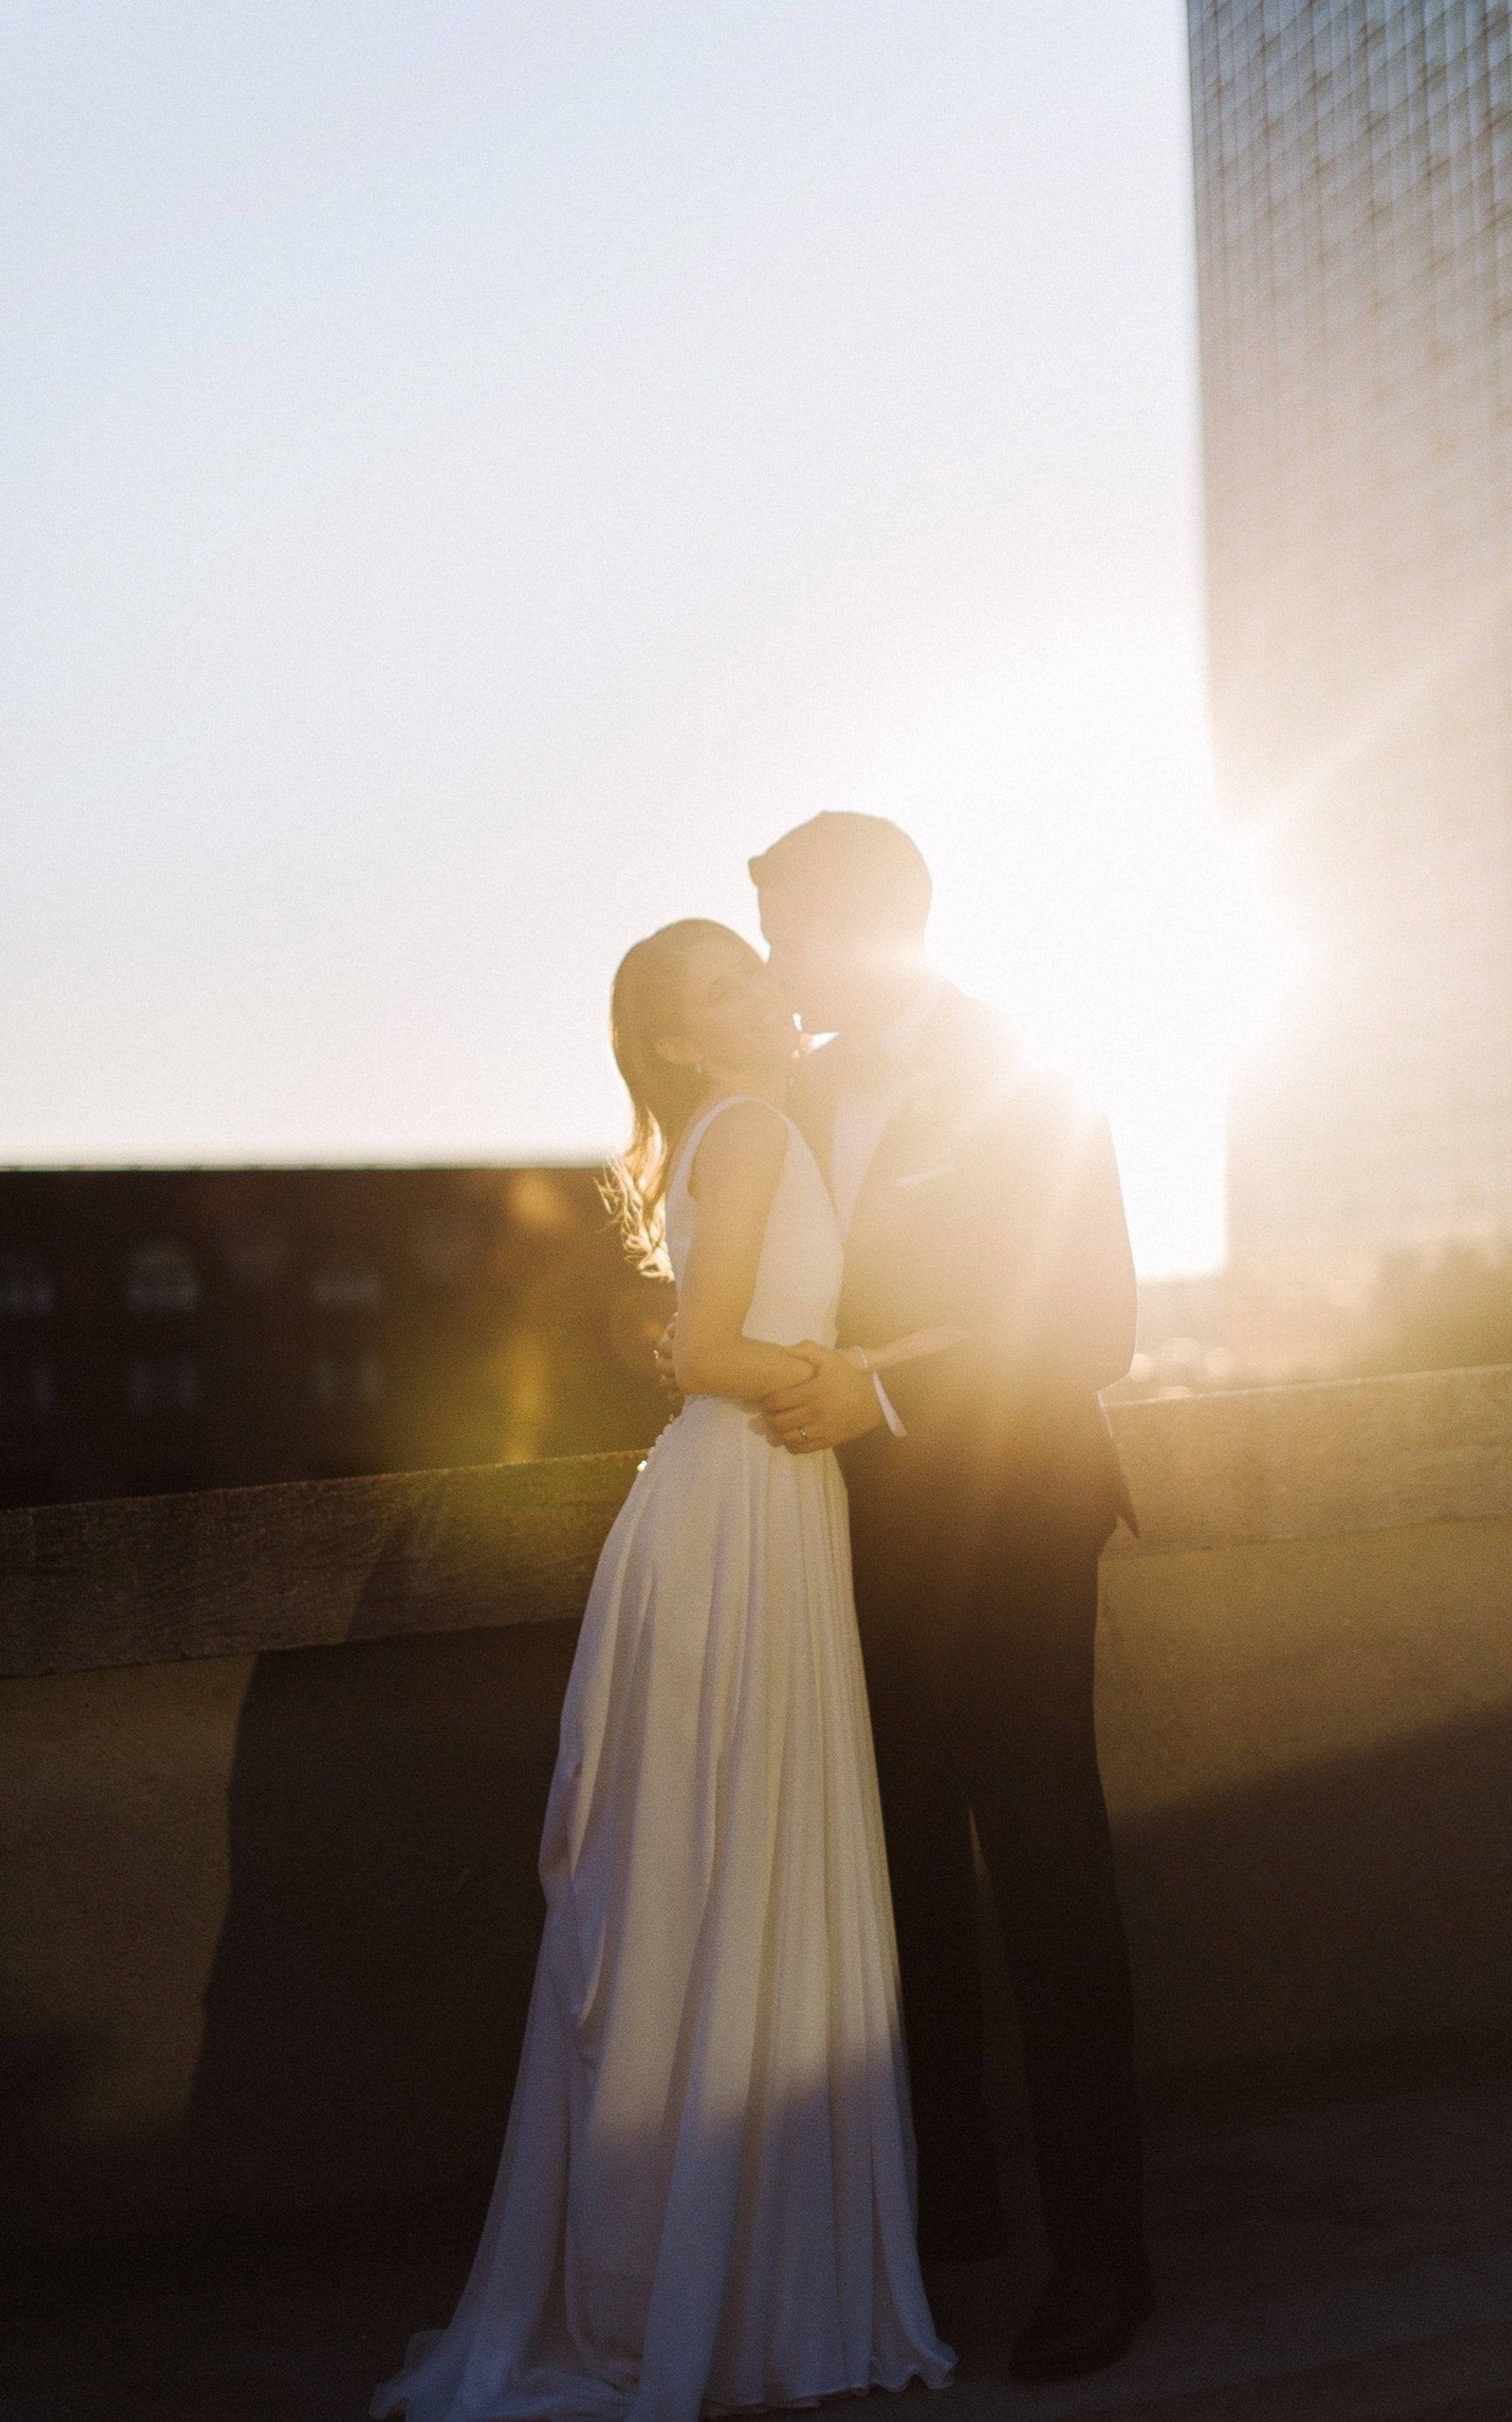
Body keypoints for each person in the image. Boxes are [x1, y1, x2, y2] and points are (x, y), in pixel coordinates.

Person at [372, 918, 954, 2422]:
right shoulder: (753, 1123)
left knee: (704, 1878)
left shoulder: (731, 1127)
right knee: (727, 1867)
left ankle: (708, 2278)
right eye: (725, 992)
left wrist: (859, 1367)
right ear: (681, 1044)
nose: (766, 993)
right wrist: (861, 1382)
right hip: (743, 1503)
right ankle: (732, 2292)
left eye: (758, 971)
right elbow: (702, 1350)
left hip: (744, 1504)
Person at [673, 813, 1151, 2383]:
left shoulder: (1031, 1063)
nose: (772, 968)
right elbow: (719, 1272)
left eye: (786, 932)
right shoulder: (788, 1094)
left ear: (869, 926)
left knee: (1047, 1882)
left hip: (1010, 1529)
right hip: (846, 1546)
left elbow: (1088, 1323)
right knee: (898, 1896)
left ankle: (1104, 2260)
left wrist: (883, 1405)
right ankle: (939, 2224)